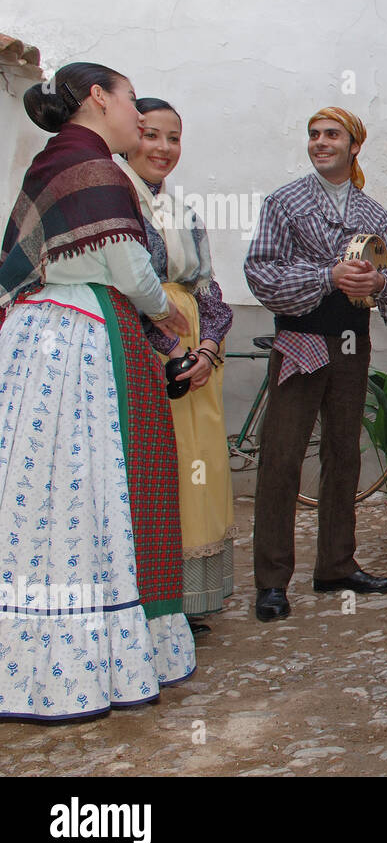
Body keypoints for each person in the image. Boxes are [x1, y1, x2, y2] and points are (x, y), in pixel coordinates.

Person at [0, 63, 196, 719]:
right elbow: (132, 272)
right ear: (97, 98)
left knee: (35, 499)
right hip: (83, 336)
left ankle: (26, 654)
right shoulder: (98, 169)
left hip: (30, 338)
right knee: (93, 493)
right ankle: (86, 660)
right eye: (131, 100)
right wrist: (163, 310)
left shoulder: (47, 162)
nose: (138, 115)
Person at [244, 107, 387, 622]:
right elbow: (260, 272)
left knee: (344, 455)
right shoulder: (284, 202)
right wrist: (329, 276)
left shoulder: (377, 216)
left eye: (332, 135)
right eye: (314, 135)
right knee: (281, 459)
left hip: (350, 344)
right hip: (300, 341)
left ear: (354, 145)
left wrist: (379, 284)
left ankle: (336, 566)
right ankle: (271, 582)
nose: (321, 142)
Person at [118, 99, 236, 632]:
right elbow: (123, 292)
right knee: (152, 472)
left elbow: (209, 290)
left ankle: (185, 600)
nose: (163, 149)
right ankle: (146, 598)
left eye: (174, 138)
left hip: (196, 361)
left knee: (198, 473)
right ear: (127, 136)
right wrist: (170, 353)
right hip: (143, 356)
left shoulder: (183, 215)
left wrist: (208, 350)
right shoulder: (116, 207)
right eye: (151, 135)